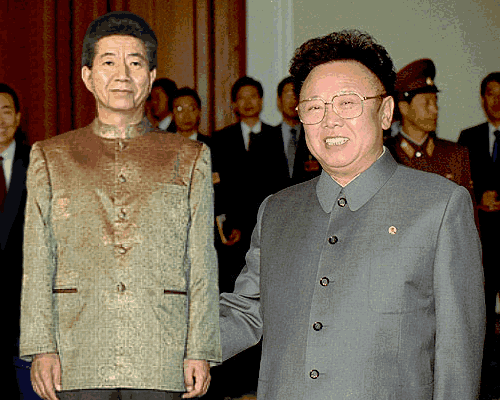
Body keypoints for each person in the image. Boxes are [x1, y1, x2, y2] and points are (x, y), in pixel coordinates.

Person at [219, 29, 485, 400]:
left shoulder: (440, 207)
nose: (330, 121)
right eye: (314, 107)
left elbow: (458, 356)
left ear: (386, 112)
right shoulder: (277, 210)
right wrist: (163, 341)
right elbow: (246, 311)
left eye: (347, 103)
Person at [19, 11, 220, 400]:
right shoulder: (51, 156)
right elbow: (38, 260)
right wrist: (42, 347)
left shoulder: (189, 156)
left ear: (151, 76)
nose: (123, 75)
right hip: (77, 351)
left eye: (135, 63)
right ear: (87, 76)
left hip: (162, 349)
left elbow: (201, 261)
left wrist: (200, 349)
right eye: (109, 62)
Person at [458, 71, 500, 399]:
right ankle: (482, 384)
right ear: (482, 99)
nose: (496, 101)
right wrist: (478, 200)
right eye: (490, 94)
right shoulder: (468, 137)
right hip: (480, 244)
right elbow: (460, 188)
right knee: (479, 316)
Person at [385, 59, 474, 196]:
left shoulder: (455, 155)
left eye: (435, 102)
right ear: (404, 108)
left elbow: (467, 207)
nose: (435, 110)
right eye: (426, 103)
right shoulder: (387, 154)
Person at [0, 83, 37, 400]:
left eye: (6, 112)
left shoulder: (38, 163)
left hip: (25, 301)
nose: (0, 121)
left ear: (18, 117)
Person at [271, 76, 321, 185]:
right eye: (288, 95)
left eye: (297, 95)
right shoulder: (264, 138)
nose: (293, 100)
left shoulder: (316, 136)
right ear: (279, 101)